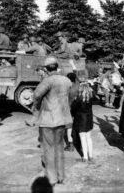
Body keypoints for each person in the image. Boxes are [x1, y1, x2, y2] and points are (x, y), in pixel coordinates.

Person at [33, 56, 72, 186]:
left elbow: (37, 95)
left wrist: (37, 106)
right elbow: (70, 97)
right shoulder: (66, 80)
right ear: (57, 66)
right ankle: (61, 176)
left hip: (48, 120)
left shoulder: (47, 81)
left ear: (46, 69)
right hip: (62, 119)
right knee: (59, 147)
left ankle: (52, 178)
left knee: (49, 149)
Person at [72, 82, 94, 163]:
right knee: (89, 138)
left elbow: (73, 110)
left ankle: (85, 157)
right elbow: (93, 91)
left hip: (80, 120)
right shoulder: (91, 97)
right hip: (89, 119)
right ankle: (91, 156)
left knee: (83, 139)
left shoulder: (78, 99)